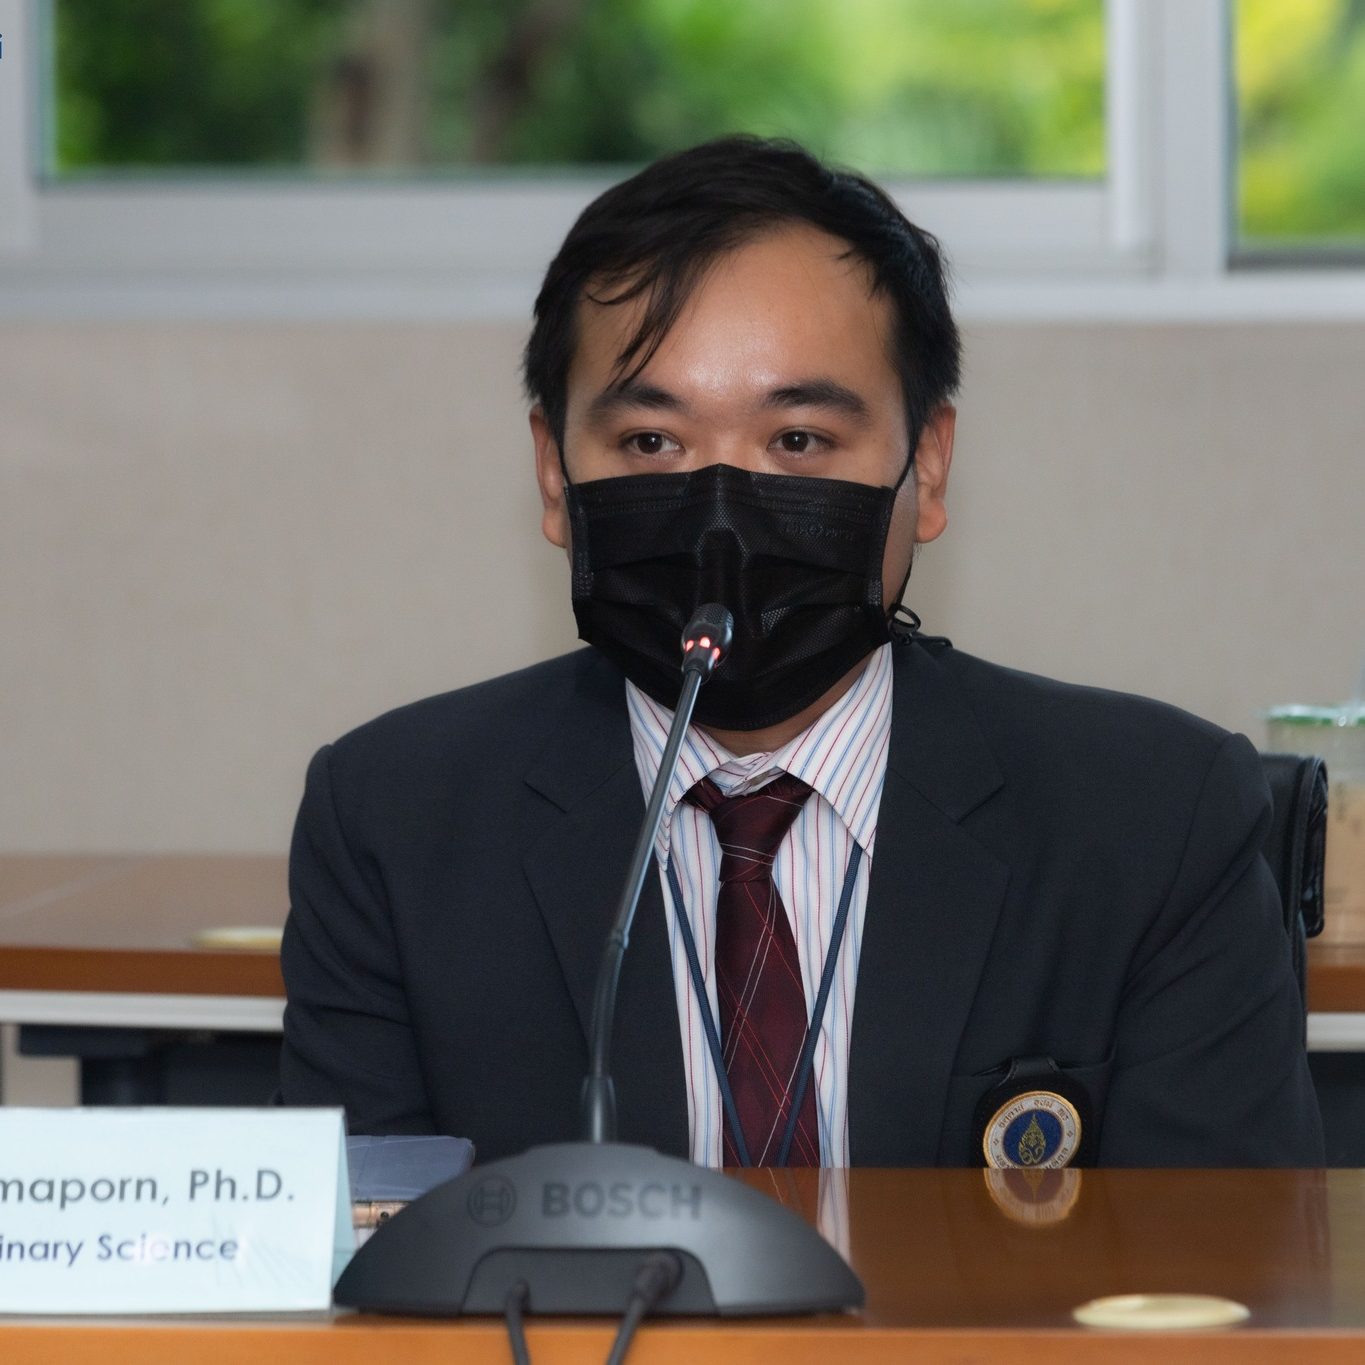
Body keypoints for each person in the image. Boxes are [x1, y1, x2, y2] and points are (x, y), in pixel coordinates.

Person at [280, 136, 1322, 1169]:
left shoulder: (1155, 818)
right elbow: (362, 1253)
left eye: (799, 441)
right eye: (651, 443)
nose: (721, 521)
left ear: (928, 467)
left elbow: (1226, 1258)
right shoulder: (393, 821)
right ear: (554, 475)